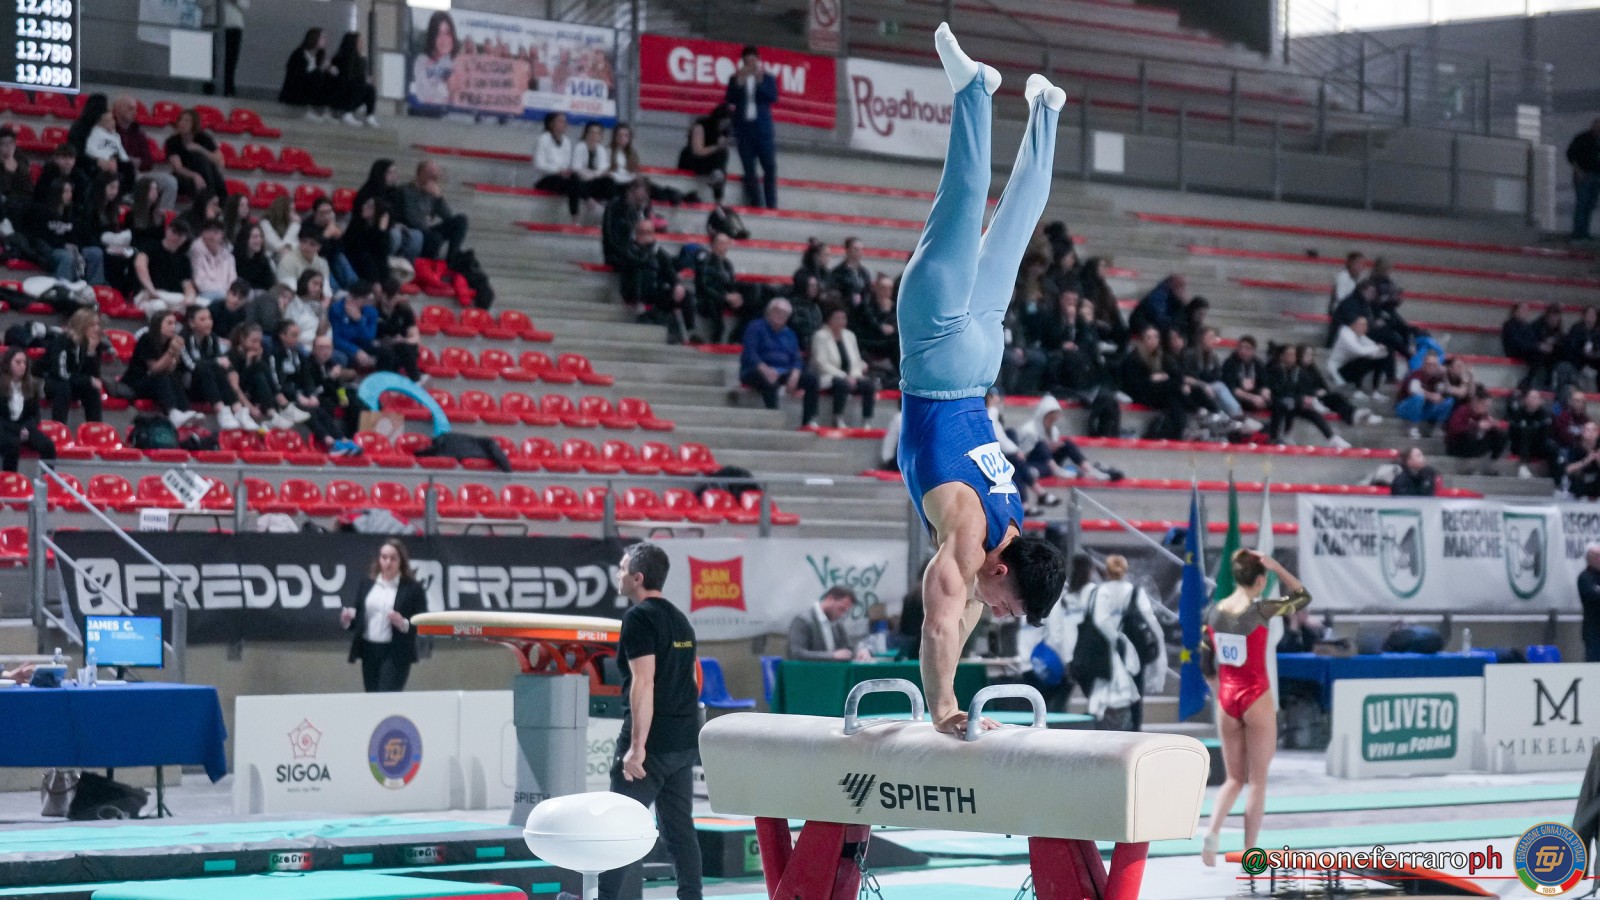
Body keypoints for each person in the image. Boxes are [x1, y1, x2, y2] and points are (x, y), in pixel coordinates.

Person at [895, 26, 1069, 737]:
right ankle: (974, 92)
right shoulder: (969, 541)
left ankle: (1046, 109)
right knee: (960, 209)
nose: (1000, 615)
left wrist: (960, 694)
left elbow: (966, 607)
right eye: (1009, 606)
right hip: (937, 359)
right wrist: (944, 709)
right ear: (1002, 572)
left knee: (1014, 229)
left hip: (981, 362)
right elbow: (941, 622)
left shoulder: (1011, 526)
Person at [599, 542, 703, 900]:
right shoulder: (680, 619)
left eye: (622, 568)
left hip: (653, 744)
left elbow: (644, 683)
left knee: (620, 825)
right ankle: (692, 897)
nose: (618, 574)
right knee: (679, 829)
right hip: (683, 741)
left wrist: (637, 748)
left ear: (638, 577)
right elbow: (688, 681)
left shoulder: (639, 618)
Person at [1198, 549, 1311, 867]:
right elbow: (1303, 597)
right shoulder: (1262, 609)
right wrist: (1278, 567)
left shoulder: (1214, 612)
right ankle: (1250, 852)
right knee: (1257, 781)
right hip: (1256, 696)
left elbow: (1205, 662)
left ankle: (1212, 833)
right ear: (1260, 581)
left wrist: (1219, 691)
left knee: (1233, 779)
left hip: (1227, 698)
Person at [1076, 554, 1165, 731]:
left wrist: (1114, 639)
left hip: (1102, 653)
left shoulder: (1098, 592)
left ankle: (1101, 737)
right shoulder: (1135, 592)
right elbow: (1151, 621)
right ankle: (1134, 736)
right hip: (1133, 652)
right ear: (1125, 570)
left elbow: (1099, 620)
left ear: (1107, 571)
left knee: (1099, 699)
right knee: (1135, 698)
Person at [340, 539, 427, 692]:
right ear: (379, 559)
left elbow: (422, 621)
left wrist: (403, 623)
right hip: (369, 649)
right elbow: (360, 616)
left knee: (387, 694)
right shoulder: (367, 584)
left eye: (393, 558)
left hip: (395, 651)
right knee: (372, 694)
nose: (388, 562)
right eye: (384, 557)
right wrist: (347, 621)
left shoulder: (412, 588)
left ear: (401, 561)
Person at [182, 304, 257, 431]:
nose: (208, 322)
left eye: (209, 318)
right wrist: (215, 361)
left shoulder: (212, 337)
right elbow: (191, 365)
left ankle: (238, 410)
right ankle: (221, 410)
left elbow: (222, 361)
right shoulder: (183, 338)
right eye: (202, 319)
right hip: (188, 384)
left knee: (219, 369)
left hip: (209, 385)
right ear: (191, 323)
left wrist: (231, 370)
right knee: (205, 367)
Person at [619, 218, 693, 344]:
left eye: (649, 232)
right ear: (636, 234)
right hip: (635, 291)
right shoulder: (629, 249)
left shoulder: (658, 252)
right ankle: (645, 314)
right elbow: (637, 262)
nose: (646, 236)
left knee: (685, 293)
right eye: (642, 232)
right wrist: (648, 250)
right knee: (643, 271)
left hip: (656, 291)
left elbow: (670, 271)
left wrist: (677, 285)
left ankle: (684, 331)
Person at [723, 45, 778, 209]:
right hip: (744, 130)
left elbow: (772, 97)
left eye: (753, 61)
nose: (751, 65)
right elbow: (729, 98)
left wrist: (759, 82)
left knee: (769, 167)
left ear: (758, 61)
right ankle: (756, 203)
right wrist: (740, 81)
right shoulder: (735, 78)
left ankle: (771, 205)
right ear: (743, 62)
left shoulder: (767, 78)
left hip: (763, 131)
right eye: (747, 62)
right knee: (749, 169)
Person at [123, 312, 200, 428]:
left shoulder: (169, 341)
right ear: (158, 325)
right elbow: (154, 368)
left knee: (174, 376)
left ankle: (186, 410)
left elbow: (170, 369)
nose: (173, 327)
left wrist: (176, 353)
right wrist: (171, 352)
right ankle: (173, 413)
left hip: (154, 382)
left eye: (175, 324)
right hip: (136, 382)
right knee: (160, 376)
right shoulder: (147, 338)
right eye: (169, 323)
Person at [740, 297, 814, 416]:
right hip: (756, 369)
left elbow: (796, 358)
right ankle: (773, 415)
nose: (780, 315)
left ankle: (808, 420)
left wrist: (795, 373)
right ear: (769, 311)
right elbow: (750, 353)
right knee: (769, 380)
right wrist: (765, 369)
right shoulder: (755, 327)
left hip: (782, 371)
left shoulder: (790, 333)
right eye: (777, 311)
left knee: (811, 379)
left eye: (784, 313)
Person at [807, 306, 877, 428]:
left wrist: (855, 375)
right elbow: (821, 362)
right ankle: (837, 418)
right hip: (828, 377)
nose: (841, 321)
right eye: (837, 318)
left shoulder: (850, 336)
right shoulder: (820, 336)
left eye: (843, 318)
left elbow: (856, 360)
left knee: (868, 385)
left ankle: (867, 420)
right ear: (829, 320)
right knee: (841, 383)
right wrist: (844, 376)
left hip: (851, 376)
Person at [43, 309, 105, 425]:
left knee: (93, 390)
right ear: (81, 325)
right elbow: (61, 374)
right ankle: (59, 428)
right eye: (92, 325)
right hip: (52, 380)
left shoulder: (95, 344)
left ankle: (96, 429)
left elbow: (94, 376)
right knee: (63, 388)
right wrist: (88, 380)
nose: (97, 329)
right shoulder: (63, 341)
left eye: (98, 324)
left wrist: (90, 352)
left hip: (74, 382)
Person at [399, 161, 469, 260]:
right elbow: (412, 218)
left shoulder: (432, 193)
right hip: (413, 231)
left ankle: (451, 259)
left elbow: (448, 216)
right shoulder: (406, 190)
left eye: (436, 175)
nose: (435, 178)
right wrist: (425, 220)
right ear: (420, 174)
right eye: (431, 175)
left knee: (461, 220)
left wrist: (439, 198)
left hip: (427, 230)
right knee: (435, 237)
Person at [0, 348, 55, 472]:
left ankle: (47, 479)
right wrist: (16, 431)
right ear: (8, 364)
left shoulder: (33, 385)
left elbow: (35, 415)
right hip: (4, 428)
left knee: (48, 445)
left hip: (24, 427)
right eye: (18, 362)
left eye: (24, 362)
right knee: (12, 444)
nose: (22, 366)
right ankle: (10, 480)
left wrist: (27, 429)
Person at [132, 220, 197, 314]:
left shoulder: (184, 259)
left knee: (202, 306)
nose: (176, 237)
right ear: (167, 230)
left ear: (185, 238)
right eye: (174, 232)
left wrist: (190, 298)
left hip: (172, 297)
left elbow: (187, 284)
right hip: (146, 293)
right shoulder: (150, 246)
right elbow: (140, 266)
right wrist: (151, 291)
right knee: (158, 306)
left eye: (181, 235)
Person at [787, 586, 868, 660]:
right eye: (841, 609)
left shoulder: (837, 623)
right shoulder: (803, 620)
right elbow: (797, 653)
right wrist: (832, 656)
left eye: (845, 611)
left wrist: (859, 652)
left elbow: (848, 647)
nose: (842, 614)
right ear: (830, 599)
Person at [162, 109, 225, 199]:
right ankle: (210, 199)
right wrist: (195, 175)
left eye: (187, 121)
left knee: (211, 170)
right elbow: (178, 168)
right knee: (198, 178)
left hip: (206, 173)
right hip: (184, 175)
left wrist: (201, 149)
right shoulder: (172, 141)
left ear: (194, 124)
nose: (183, 123)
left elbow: (221, 162)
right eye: (181, 120)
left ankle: (218, 201)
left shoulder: (204, 138)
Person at [1444, 386, 1506, 472]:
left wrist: (1493, 425)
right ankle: (1467, 465)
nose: (1486, 408)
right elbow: (1455, 429)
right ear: (1476, 401)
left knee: (1499, 435)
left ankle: (1491, 463)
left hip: (1475, 443)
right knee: (1469, 435)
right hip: (1457, 445)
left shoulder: (1483, 415)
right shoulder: (1463, 411)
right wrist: (1477, 426)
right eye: (1484, 405)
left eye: (1487, 406)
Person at [677, 105, 731, 203]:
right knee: (721, 155)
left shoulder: (723, 132)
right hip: (692, 159)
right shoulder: (701, 126)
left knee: (722, 157)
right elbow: (697, 150)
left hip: (709, 163)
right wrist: (716, 147)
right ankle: (718, 191)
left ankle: (718, 195)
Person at [1396, 349, 1453, 438]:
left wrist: (1445, 375)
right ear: (1423, 364)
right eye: (1428, 364)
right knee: (1419, 397)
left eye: (1434, 364)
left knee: (1449, 401)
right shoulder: (1417, 374)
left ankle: (1436, 428)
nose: (1431, 367)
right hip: (1405, 408)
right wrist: (1431, 395)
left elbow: (1444, 391)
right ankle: (1413, 427)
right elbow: (1413, 390)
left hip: (1423, 409)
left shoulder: (1438, 377)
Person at [533, 113, 582, 216]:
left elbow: (566, 164)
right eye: (561, 121)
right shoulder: (543, 139)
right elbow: (539, 164)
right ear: (551, 124)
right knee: (572, 183)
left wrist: (565, 172)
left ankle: (575, 213)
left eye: (565, 121)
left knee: (576, 179)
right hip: (544, 179)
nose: (565, 124)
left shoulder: (567, 141)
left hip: (561, 178)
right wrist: (558, 171)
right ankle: (574, 215)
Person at [1328, 316, 1390, 397]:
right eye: (1362, 325)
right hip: (1338, 370)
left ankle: (1375, 391)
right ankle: (1357, 390)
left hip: (1349, 366)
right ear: (1353, 325)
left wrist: (1380, 348)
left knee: (1380, 359)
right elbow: (1359, 350)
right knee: (1364, 359)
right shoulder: (1345, 334)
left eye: (1366, 325)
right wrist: (1377, 347)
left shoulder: (1360, 335)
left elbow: (1372, 345)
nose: (1365, 328)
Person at [280, 28, 332, 119]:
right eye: (322, 38)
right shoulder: (299, 54)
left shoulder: (320, 55)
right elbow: (296, 77)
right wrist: (319, 69)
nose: (325, 40)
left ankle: (321, 109)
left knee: (329, 77)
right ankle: (306, 109)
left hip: (309, 87)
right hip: (296, 91)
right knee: (318, 75)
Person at [330, 32, 379, 127]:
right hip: (342, 93)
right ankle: (346, 113)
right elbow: (344, 78)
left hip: (355, 92)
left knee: (370, 89)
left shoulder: (362, 60)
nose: (362, 44)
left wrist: (366, 79)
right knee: (360, 84)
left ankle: (370, 115)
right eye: (359, 42)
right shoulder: (340, 58)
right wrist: (363, 79)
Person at [410, 11, 457, 107]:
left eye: (447, 33)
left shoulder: (458, 63)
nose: (444, 39)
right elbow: (424, 95)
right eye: (439, 34)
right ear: (432, 37)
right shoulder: (421, 62)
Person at [1567, 119, 1600, 242]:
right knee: (1582, 204)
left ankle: (1585, 232)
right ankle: (1578, 233)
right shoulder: (1582, 138)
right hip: (1583, 175)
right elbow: (1571, 155)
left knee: (1590, 205)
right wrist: (1578, 171)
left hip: (1597, 176)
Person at [189, 219, 237, 302]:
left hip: (226, 295)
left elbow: (232, 278)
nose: (211, 235)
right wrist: (223, 293)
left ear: (222, 235)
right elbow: (200, 281)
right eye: (208, 231)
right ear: (202, 233)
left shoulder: (229, 257)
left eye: (216, 232)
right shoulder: (196, 253)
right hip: (203, 294)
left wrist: (229, 293)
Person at [1560, 421, 1600, 501]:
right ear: (1583, 433)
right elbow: (1568, 469)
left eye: (1594, 430)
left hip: (1596, 480)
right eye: (1588, 430)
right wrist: (1586, 461)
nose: (1591, 433)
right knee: (1576, 475)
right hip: (1581, 480)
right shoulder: (1576, 447)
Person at [233, 223, 277, 291]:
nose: (259, 240)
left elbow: (269, 285)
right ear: (245, 239)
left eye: (261, 237)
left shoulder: (264, 261)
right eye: (255, 237)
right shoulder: (233, 259)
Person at [1579, 544, 1600, 662]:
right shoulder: (1585, 578)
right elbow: (1594, 597)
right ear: (1589, 559)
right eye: (1597, 556)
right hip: (1594, 633)